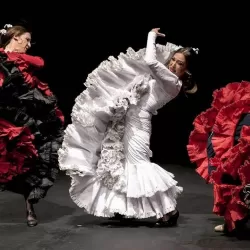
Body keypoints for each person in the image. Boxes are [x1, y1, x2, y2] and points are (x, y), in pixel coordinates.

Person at [58, 28, 199, 226]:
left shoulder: (172, 81)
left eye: (180, 64)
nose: (174, 64)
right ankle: (124, 208)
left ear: (186, 70)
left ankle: (169, 211)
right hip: (127, 121)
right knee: (123, 165)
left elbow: (150, 61)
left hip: (138, 125)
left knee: (140, 165)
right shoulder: (166, 75)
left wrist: (151, 35)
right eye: (173, 60)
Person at [0, 24, 64, 227]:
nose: (28, 44)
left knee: (32, 161)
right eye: (26, 39)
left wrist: (12, 55)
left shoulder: (19, 60)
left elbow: (40, 62)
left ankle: (30, 209)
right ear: (16, 37)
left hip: (25, 117)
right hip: (4, 115)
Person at [187, 81, 250, 234]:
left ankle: (235, 222)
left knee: (236, 179)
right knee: (227, 180)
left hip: (237, 140)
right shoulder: (230, 111)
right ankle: (233, 223)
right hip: (228, 142)